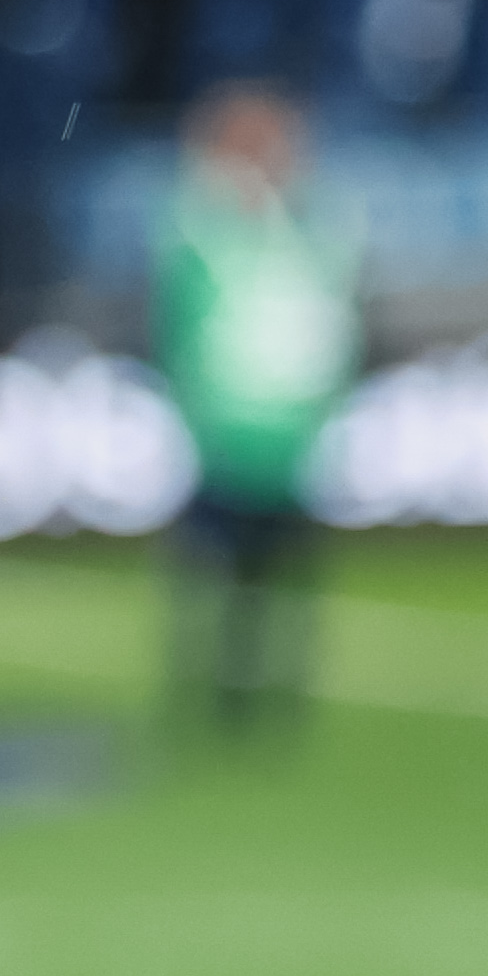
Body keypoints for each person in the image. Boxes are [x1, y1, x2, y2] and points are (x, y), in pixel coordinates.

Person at [153, 80, 360, 729]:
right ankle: (217, 692)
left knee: (276, 577)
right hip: (228, 435)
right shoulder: (207, 237)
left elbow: (334, 329)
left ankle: (269, 693)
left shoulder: (310, 236)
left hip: (285, 437)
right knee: (218, 572)